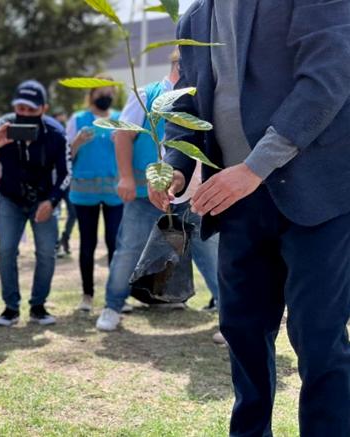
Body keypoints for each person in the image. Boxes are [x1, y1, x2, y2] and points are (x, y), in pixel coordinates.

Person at [148, 2, 350, 435]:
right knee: (242, 330)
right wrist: (175, 165)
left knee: (318, 336)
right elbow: (188, 107)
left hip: (317, 196)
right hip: (235, 198)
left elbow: (327, 79)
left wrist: (256, 167)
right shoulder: (193, 19)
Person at [96, 52, 220, 332]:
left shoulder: (204, 96)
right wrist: (126, 177)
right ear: (179, 64)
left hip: (196, 193)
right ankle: (112, 307)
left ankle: (229, 319)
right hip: (147, 193)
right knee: (129, 249)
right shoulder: (148, 95)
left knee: (210, 253)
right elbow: (122, 136)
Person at [0, 80, 71, 327]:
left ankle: (38, 306)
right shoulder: (1, 126)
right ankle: (10, 308)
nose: (24, 115)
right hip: (10, 200)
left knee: (47, 253)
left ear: (43, 108)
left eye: (31, 110)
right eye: (20, 109)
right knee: (6, 253)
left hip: (44, 201)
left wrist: (52, 201)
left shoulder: (55, 133)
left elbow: (67, 172)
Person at [66, 77, 123, 312]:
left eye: (109, 92)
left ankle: (115, 296)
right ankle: (87, 295)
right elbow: (68, 153)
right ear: (91, 94)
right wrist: (77, 141)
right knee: (87, 244)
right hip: (84, 192)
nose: (105, 96)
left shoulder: (120, 119)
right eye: (101, 91)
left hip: (115, 191)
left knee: (115, 244)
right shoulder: (77, 119)